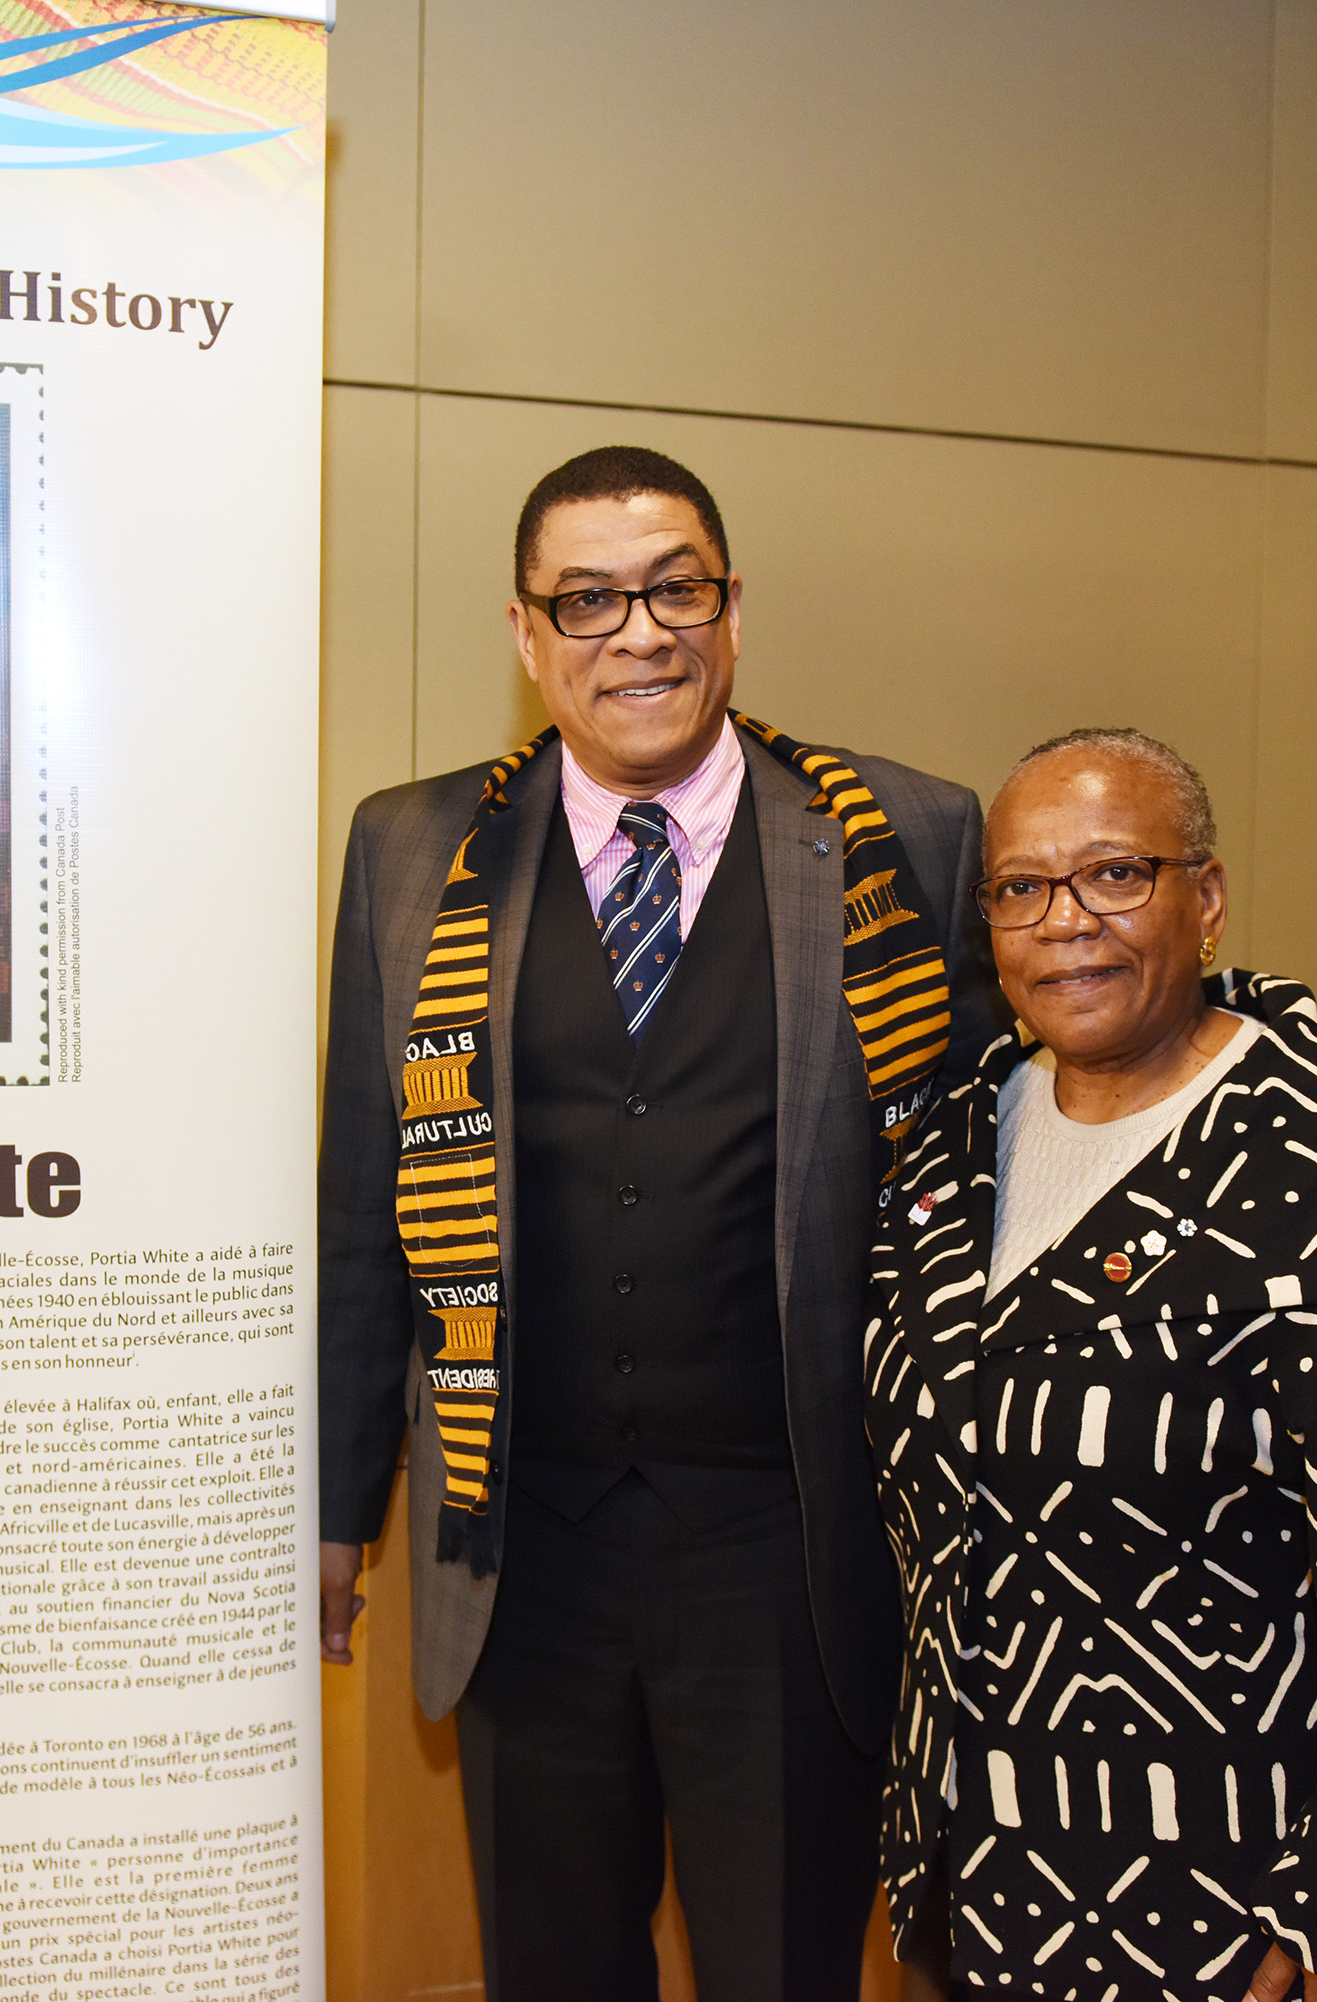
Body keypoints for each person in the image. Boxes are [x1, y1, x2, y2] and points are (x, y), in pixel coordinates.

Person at [318, 446, 994, 2001]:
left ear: (732, 606)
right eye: (591, 598)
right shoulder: (412, 851)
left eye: (676, 586)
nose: (642, 632)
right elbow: (367, 1198)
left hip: (789, 1542)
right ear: (527, 630)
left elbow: (977, 1192)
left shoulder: (908, 836)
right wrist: (340, 1502)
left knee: (782, 1966)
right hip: (515, 1539)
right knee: (551, 1970)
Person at [866, 729, 1317, 2002]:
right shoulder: (956, 1152)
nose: (1065, 921)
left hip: (1223, 1914)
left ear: (1210, 900)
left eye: (1116, 874)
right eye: (1021, 888)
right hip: (972, 1877)